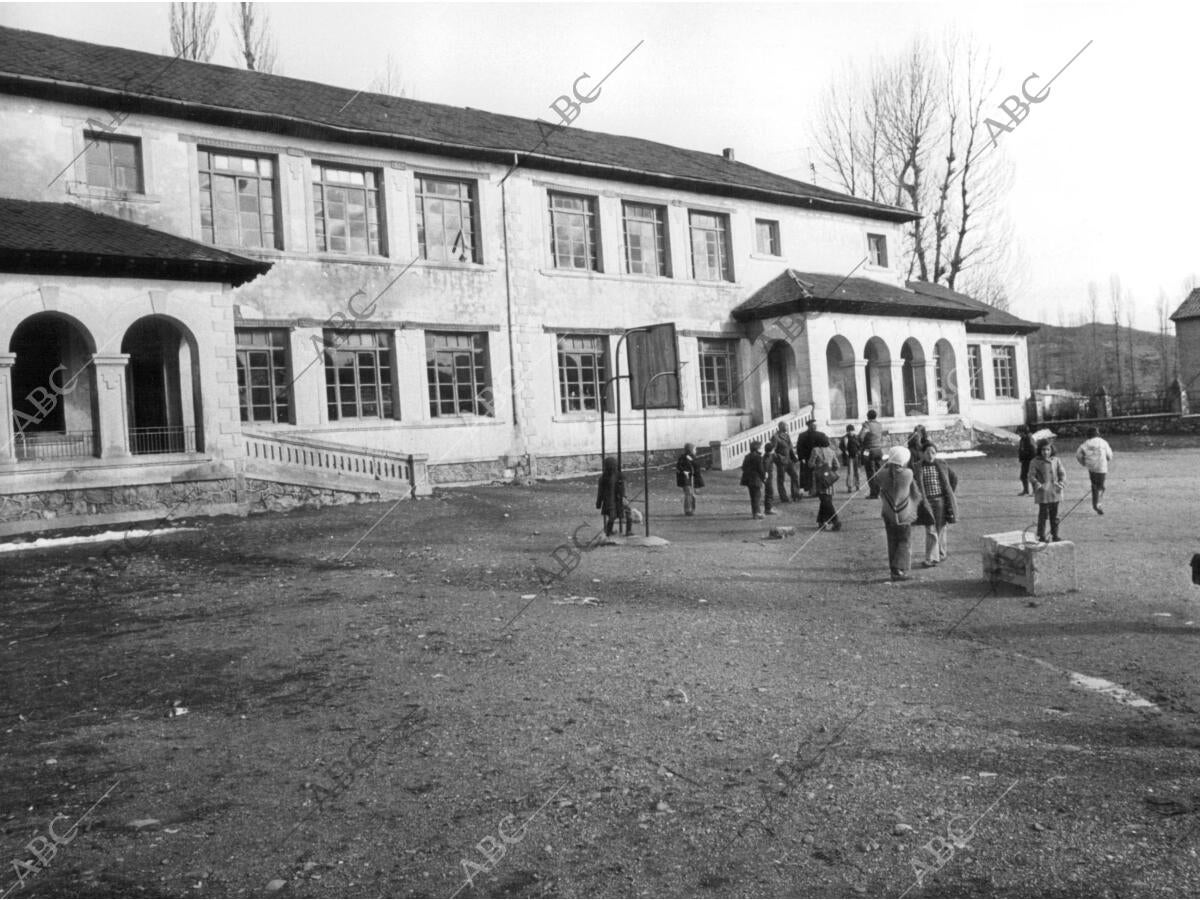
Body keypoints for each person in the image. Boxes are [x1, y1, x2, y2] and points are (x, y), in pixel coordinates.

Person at [876, 446, 927, 581]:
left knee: (891, 541)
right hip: (905, 513)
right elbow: (914, 491)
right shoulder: (908, 473)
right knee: (904, 541)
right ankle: (899, 569)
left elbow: (878, 477)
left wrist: (886, 464)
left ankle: (894, 570)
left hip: (888, 513)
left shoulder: (881, 474)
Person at [912, 441, 958, 567]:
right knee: (931, 529)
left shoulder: (941, 464)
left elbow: (954, 478)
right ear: (922, 453)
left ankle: (941, 554)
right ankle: (932, 559)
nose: (930, 455)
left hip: (940, 502)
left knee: (941, 527)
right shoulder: (917, 467)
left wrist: (949, 493)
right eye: (927, 452)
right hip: (926, 502)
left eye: (933, 452)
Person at [1030, 438, 1065, 543]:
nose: (1045, 452)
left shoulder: (1056, 460)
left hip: (1055, 492)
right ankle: (1041, 536)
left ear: (1051, 450)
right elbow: (1031, 476)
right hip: (1043, 492)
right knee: (1043, 515)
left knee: (1055, 515)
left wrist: (1062, 482)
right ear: (1039, 450)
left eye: (1048, 450)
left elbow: (1062, 473)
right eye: (1043, 450)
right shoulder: (1035, 461)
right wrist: (1036, 483)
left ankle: (1055, 535)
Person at [1075, 426, 1113, 514]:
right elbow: (1110, 455)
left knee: (1094, 484)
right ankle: (1097, 504)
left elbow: (1078, 455)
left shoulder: (1085, 443)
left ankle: (1095, 502)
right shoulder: (1103, 442)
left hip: (1091, 467)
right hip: (1101, 466)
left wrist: (1083, 463)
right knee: (1101, 486)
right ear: (1098, 434)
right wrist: (1107, 459)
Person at [807, 433, 842, 531]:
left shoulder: (815, 450)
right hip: (829, 478)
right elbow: (837, 465)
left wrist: (817, 467)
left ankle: (836, 520)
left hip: (819, 478)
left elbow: (810, 464)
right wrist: (830, 471)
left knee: (825, 500)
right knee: (826, 500)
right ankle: (821, 521)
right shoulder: (831, 451)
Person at [596, 457, 630, 537]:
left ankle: (627, 531)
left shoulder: (619, 476)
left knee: (626, 513)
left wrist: (624, 497)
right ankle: (609, 532)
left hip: (617, 500)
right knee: (614, 516)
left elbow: (623, 488)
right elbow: (600, 492)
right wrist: (599, 502)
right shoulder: (604, 478)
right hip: (612, 501)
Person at [859, 410, 886, 498]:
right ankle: (878, 491)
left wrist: (863, 443)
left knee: (870, 471)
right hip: (878, 450)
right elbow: (882, 436)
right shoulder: (879, 424)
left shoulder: (867, 425)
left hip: (868, 450)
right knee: (878, 471)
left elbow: (861, 436)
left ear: (868, 416)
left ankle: (873, 493)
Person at [740, 439, 768, 519]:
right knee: (757, 496)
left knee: (753, 496)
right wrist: (764, 477)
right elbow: (761, 469)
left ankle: (755, 512)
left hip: (748, 479)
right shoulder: (758, 457)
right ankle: (757, 513)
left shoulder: (747, 456)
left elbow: (743, 467)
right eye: (760, 447)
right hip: (756, 479)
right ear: (757, 448)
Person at [773, 421, 801, 501]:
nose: (787, 427)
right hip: (781, 462)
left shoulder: (787, 436)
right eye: (786, 426)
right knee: (781, 480)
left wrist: (795, 459)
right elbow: (773, 451)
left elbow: (790, 448)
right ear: (781, 427)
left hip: (789, 461)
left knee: (795, 476)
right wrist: (779, 459)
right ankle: (783, 497)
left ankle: (795, 494)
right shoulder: (775, 437)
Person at [676, 443, 704, 516]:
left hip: (691, 479)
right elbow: (680, 466)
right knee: (688, 494)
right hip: (686, 479)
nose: (696, 451)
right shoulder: (684, 458)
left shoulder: (692, 458)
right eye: (694, 449)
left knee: (691, 494)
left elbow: (696, 467)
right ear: (690, 450)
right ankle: (688, 510)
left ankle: (691, 509)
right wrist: (684, 471)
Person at [794, 420, 820, 498]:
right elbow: (799, 447)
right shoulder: (802, 435)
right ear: (809, 426)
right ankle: (808, 490)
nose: (814, 426)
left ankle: (815, 490)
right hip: (806, 458)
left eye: (815, 425)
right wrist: (801, 458)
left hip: (816, 458)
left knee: (816, 474)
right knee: (806, 475)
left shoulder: (818, 435)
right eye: (812, 425)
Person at [839, 424, 862, 494]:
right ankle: (850, 487)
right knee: (850, 472)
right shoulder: (844, 438)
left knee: (857, 472)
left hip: (857, 457)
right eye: (849, 431)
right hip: (849, 458)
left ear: (853, 431)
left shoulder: (857, 437)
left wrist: (859, 451)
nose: (850, 432)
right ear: (847, 431)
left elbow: (860, 446)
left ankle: (858, 485)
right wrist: (845, 451)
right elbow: (841, 446)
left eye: (851, 430)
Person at [1016, 425, 1036, 496]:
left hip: (1030, 460)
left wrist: (1032, 460)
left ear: (1023, 432)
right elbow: (1021, 449)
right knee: (1023, 476)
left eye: (1019, 432)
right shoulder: (1022, 439)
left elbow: (1033, 450)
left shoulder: (1029, 439)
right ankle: (1026, 490)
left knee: (1032, 476)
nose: (1018, 434)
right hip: (1024, 461)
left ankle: (1035, 491)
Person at [761, 439, 778, 515]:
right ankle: (768, 509)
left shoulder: (768, 456)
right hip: (768, 477)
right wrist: (766, 476)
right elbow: (766, 468)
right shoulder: (768, 457)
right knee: (769, 492)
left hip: (768, 476)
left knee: (769, 492)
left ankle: (768, 508)